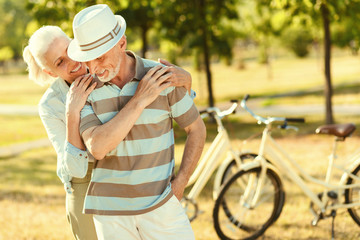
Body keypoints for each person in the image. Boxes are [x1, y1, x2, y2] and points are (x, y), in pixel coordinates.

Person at [22, 25, 194, 240]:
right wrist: (72, 112)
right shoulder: (51, 104)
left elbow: (152, 100)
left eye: (70, 50)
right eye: (60, 62)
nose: (73, 62)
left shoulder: (104, 69)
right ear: (50, 72)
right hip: (85, 184)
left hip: (127, 178)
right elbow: (76, 167)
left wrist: (185, 83)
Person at [68, 4, 206, 240]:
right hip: (110, 214)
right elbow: (98, 147)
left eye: (100, 57)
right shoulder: (84, 91)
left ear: (122, 43)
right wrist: (140, 99)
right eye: (88, 60)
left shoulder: (162, 76)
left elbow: (197, 129)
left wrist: (181, 182)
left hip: (163, 206)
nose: (94, 68)